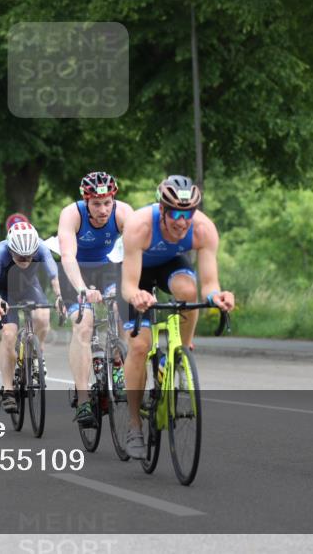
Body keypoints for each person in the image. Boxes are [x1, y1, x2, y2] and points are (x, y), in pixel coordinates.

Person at [120, 175, 235, 459]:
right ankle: (134, 425)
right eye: (176, 214)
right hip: (136, 273)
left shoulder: (204, 229)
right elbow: (128, 286)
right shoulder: (139, 226)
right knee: (138, 346)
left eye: (188, 214)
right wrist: (137, 296)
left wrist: (216, 297)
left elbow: (209, 284)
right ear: (162, 209)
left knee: (187, 289)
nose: (182, 222)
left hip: (170, 264)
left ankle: (180, 353)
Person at [56, 171, 133, 427]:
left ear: (114, 199)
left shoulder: (124, 213)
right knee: (84, 322)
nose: (103, 209)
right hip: (74, 271)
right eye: (96, 203)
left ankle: (120, 369)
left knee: (125, 309)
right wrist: (81, 288)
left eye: (107, 202)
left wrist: (137, 285)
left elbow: (136, 251)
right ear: (86, 201)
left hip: (106, 268)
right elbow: (67, 256)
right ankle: (82, 399)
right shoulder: (71, 214)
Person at [0, 221, 61, 414]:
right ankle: (8, 390)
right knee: (9, 334)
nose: (25, 260)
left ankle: (37, 354)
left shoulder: (41, 247)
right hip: (4, 292)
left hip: (28, 287)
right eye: (19, 257)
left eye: (29, 257)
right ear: (10, 250)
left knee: (43, 316)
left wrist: (59, 296)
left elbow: (54, 277)